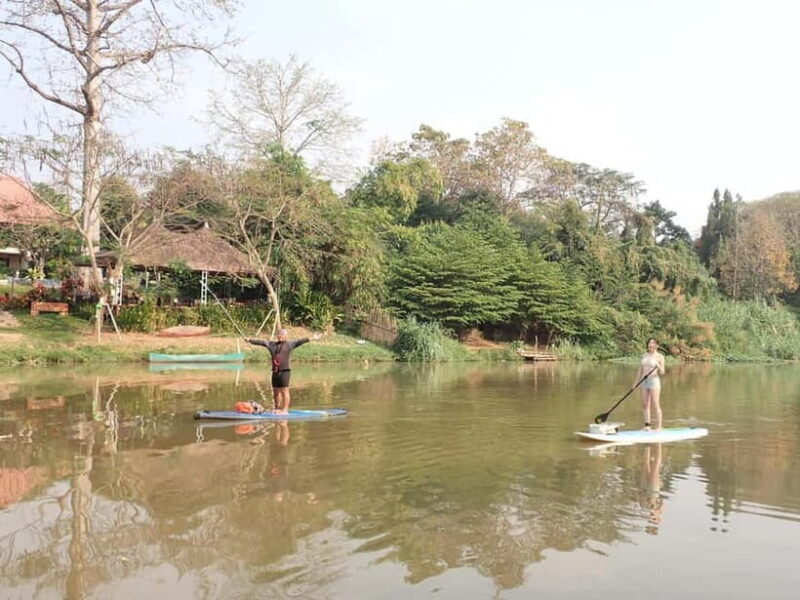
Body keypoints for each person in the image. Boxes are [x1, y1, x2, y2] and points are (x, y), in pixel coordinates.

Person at [245, 328, 320, 414]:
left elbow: (300, 341)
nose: (280, 336)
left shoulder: (290, 345)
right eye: (279, 334)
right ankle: (277, 408)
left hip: (285, 371)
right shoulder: (271, 345)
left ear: (285, 336)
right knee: (275, 392)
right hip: (275, 372)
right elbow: (261, 342)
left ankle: (285, 410)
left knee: (285, 390)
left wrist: (312, 338)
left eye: (282, 334)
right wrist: (249, 340)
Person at [636, 337, 666, 430]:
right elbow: (640, 370)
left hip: (654, 381)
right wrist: (636, 383)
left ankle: (659, 427)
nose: (651, 345)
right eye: (649, 343)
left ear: (657, 345)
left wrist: (658, 365)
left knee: (655, 403)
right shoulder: (644, 355)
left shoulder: (660, 357)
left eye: (653, 343)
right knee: (645, 404)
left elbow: (662, 372)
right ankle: (647, 426)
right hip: (644, 381)